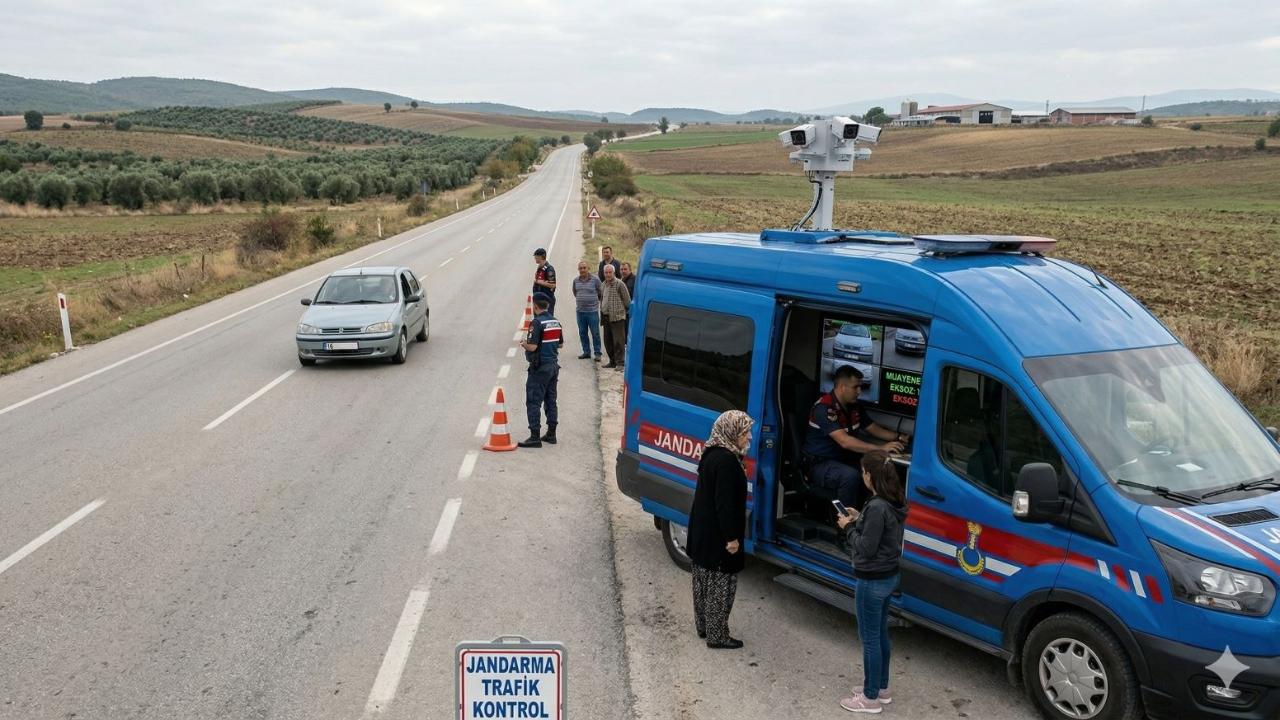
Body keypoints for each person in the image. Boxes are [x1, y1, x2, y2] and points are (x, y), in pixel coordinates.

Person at [836, 451, 907, 713]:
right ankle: (882, 687)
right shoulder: (891, 501)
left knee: (869, 640)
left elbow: (865, 547)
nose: (862, 475)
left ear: (870, 475)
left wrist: (848, 527)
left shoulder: (877, 506)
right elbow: (879, 529)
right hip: (889, 575)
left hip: (872, 580)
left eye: (864, 471)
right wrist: (860, 517)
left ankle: (869, 698)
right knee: (880, 635)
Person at [687, 410, 753, 650]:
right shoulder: (726, 462)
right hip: (718, 536)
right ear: (732, 433)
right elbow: (725, 505)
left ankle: (704, 626)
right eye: (745, 433)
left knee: (702, 581)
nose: (749, 438)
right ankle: (717, 635)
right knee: (720, 585)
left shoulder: (713, 452)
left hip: (703, 531)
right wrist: (732, 538)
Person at [802, 365, 907, 509]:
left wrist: (898, 437)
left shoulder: (854, 406)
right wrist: (880, 449)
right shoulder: (824, 409)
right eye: (855, 387)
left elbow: (873, 428)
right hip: (820, 464)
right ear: (842, 387)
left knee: (879, 469)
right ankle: (845, 525)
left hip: (844, 460)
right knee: (850, 476)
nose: (859, 391)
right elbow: (845, 442)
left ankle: (872, 514)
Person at [518, 293, 563, 448]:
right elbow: (560, 344)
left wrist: (524, 343)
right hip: (553, 366)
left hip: (540, 368)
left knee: (533, 401)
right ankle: (551, 433)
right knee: (551, 400)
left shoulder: (536, 323)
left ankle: (535, 436)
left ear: (535, 306)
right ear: (548, 305)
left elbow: (533, 346)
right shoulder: (555, 322)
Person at [600, 263, 631, 370]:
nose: (608, 274)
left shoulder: (620, 284)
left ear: (613, 273)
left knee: (618, 341)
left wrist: (622, 313)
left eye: (610, 272)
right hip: (606, 317)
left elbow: (627, 302)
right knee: (607, 341)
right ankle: (612, 361)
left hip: (617, 318)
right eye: (606, 272)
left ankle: (620, 363)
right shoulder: (603, 284)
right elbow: (601, 299)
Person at [571, 261, 603, 361]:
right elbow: (575, 292)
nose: (582, 270)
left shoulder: (595, 279)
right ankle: (586, 352)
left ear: (588, 268)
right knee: (582, 333)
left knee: (595, 333)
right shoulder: (576, 280)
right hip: (580, 312)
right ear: (578, 269)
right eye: (580, 268)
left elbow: (600, 292)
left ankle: (597, 353)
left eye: (584, 268)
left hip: (592, 312)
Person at [532, 248, 557, 314]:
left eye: (536, 256)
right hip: (538, 301)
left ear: (540, 256)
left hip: (546, 300)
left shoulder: (549, 269)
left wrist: (538, 282)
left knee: (546, 320)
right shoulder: (540, 267)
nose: (535, 258)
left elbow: (553, 285)